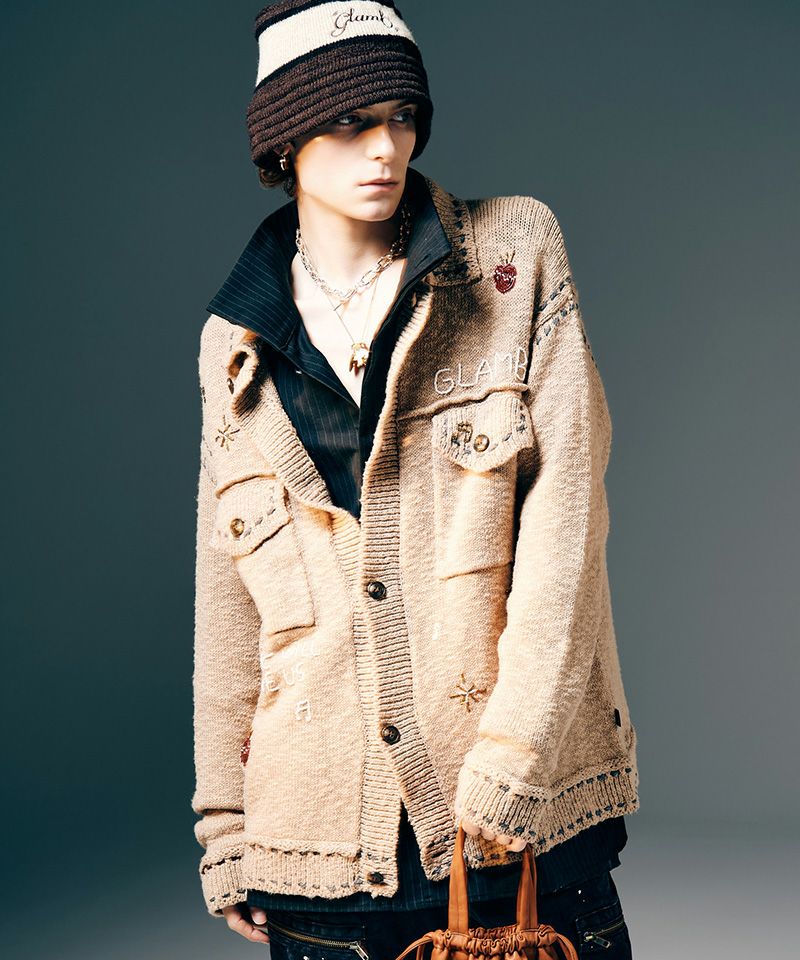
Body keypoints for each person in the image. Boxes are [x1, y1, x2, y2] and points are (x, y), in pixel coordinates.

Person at [190, 2, 640, 958]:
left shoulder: (512, 255)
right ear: (283, 143)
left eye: (402, 116)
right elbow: (228, 599)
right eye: (351, 122)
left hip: (515, 836)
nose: (386, 147)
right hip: (315, 858)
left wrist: (514, 759)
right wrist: (225, 828)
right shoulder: (233, 339)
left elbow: (567, 522)